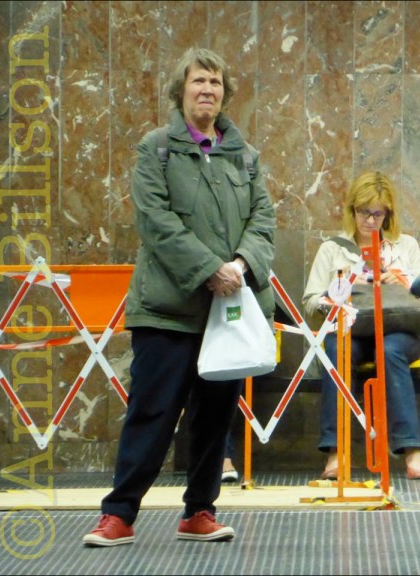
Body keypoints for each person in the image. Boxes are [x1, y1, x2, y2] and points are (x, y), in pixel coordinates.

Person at [82, 48, 276, 546]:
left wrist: (239, 264)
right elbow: (155, 220)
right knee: (152, 412)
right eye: (198, 81)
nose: (207, 89)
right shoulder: (155, 148)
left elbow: (264, 221)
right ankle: (119, 514)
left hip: (226, 311)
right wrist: (208, 269)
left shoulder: (246, 155)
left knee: (215, 417)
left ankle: (199, 512)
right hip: (166, 311)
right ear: (181, 90)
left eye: (215, 81)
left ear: (224, 92)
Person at [302, 171, 420, 480]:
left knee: (390, 350)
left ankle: (412, 450)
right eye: (364, 212)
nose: (370, 220)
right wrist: (343, 287)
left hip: (400, 331)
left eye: (377, 213)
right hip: (352, 330)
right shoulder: (334, 249)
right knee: (335, 348)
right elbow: (310, 301)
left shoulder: (406, 246)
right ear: (352, 211)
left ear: (388, 214)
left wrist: (400, 279)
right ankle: (335, 452)